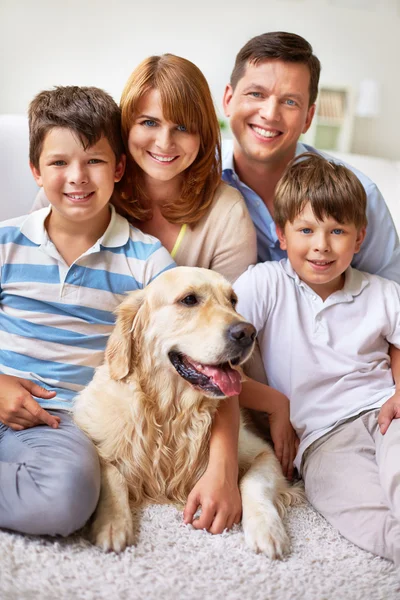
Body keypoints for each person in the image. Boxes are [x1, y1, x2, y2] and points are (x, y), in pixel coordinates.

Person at [0, 85, 175, 537]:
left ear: (118, 168)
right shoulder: (5, 243)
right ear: (36, 171)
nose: (77, 176)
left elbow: (181, 345)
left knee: (68, 499)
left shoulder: (147, 261)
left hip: (58, 423)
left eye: (93, 161)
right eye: (59, 162)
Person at [233, 152, 400, 565]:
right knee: (364, 514)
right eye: (306, 229)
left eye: (337, 231)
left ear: (359, 238)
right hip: (323, 440)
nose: (321, 246)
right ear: (282, 234)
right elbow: (219, 356)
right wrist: (273, 406)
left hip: (386, 413)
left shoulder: (382, 292)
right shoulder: (265, 282)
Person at [222, 31, 400, 283]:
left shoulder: (360, 195)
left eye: (290, 102)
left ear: (308, 117)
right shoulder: (192, 179)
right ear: (228, 100)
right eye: (256, 94)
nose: (270, 114)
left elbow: (392, 296)